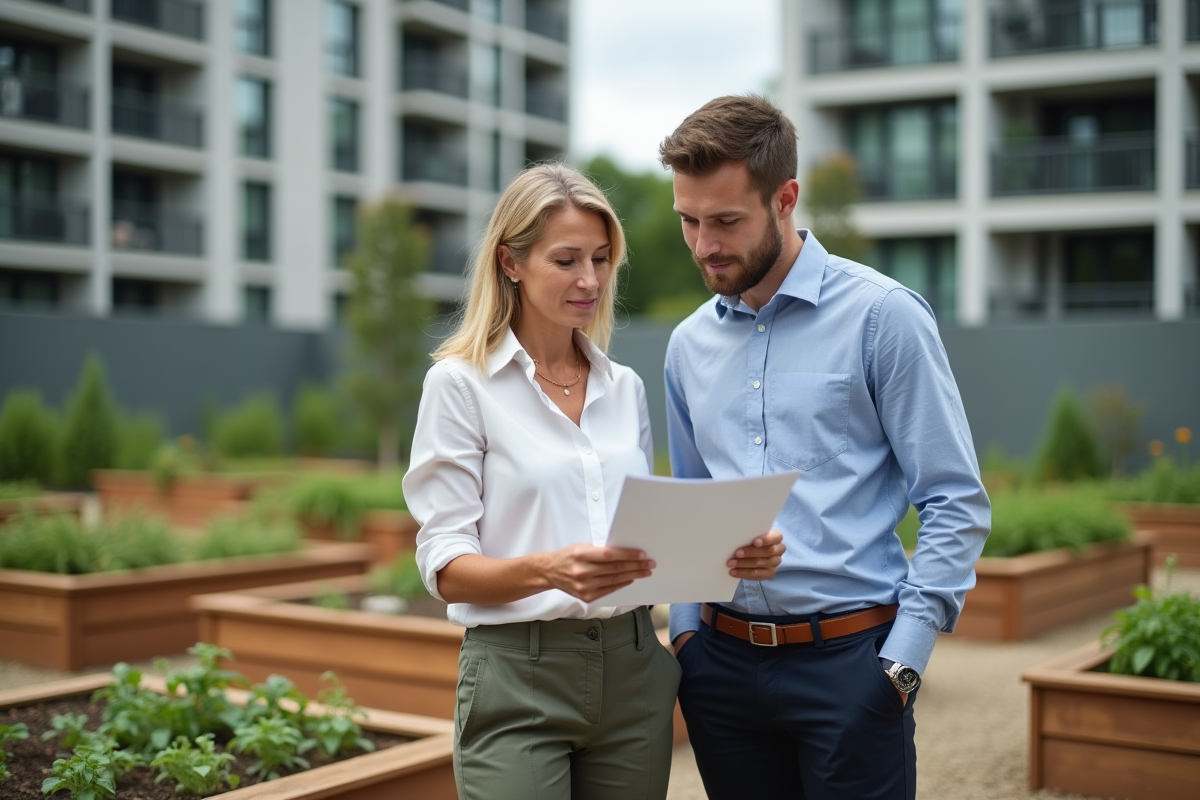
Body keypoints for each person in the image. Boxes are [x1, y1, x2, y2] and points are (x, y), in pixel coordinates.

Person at [402, 162, 783, 800]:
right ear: (510, 263)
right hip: (517, 672)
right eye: (567, 260)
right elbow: (444, 566)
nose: (590, 280)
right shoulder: (460, 386)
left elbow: (641, 546)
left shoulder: (624, 387)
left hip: (633, 667)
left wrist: (731, 552)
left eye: (602, 259)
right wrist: (548, 571)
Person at [660, 95, 991, 800]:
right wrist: (688, 637)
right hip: (719, 670)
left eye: (725, 222)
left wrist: (901, 665)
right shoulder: (687, 346)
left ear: (785, 199)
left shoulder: (883, 318)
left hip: (852, 665)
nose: (703, 246)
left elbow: (955, 500)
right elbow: (692, 504)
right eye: (688, 221)